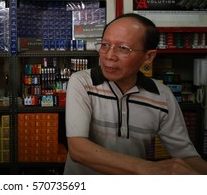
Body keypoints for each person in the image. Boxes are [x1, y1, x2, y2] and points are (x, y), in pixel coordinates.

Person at [64, 13, 207, 175]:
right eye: (105, 45)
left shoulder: (163, 96)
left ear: (148, 56)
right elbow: (78, 149)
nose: (109, 56)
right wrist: (149, 169)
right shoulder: (82, 82)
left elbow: (187, 157)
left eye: (123, 48)